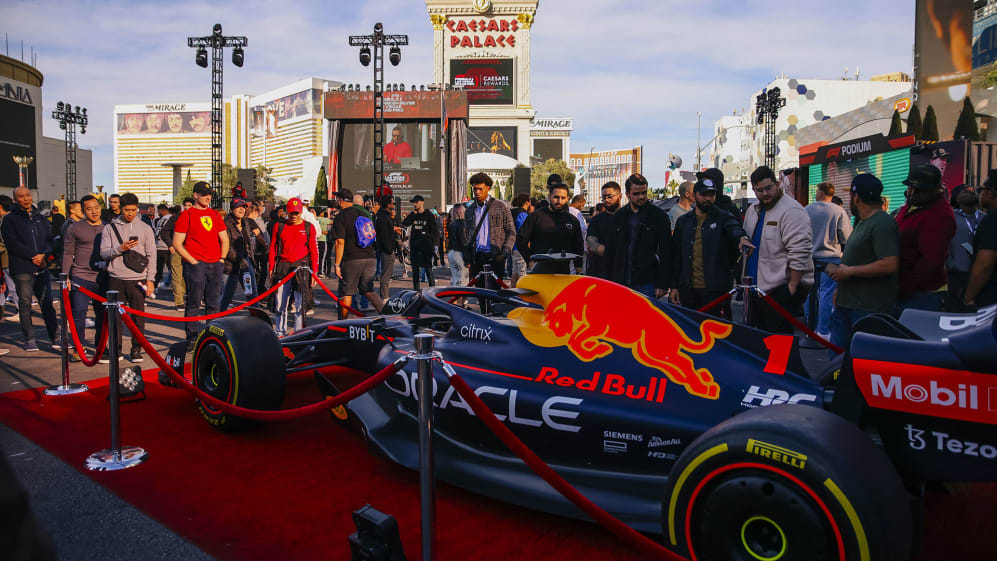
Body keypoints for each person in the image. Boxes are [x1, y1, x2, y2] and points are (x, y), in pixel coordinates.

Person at [826, 174, 899, 349]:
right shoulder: (863, 222)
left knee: (859, 359)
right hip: (849, 304)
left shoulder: (882, 223)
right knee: (839, 362)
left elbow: (890, 263)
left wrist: (848, 272)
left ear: (856, 197)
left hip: (866, 308)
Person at [742, 165, 813, 334]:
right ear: (754, 190)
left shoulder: (792, 210)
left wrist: (792, 286)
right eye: (760, 190)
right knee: (761, 339)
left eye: (769, 188)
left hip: (780, 289)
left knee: (779, 342)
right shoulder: (754, 210)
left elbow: (800, 251)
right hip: (756, 289)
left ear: (777, 184)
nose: (765, 193)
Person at [669, 177, 752, 319]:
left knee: (717, 333)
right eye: (704, 194)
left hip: (716, 291)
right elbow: (676, 256)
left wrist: (742, 238)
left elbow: (734, 228)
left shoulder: (723, 217)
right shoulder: (683, 222)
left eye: (711, 194)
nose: (708, 198)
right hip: (688, 290)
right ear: (694, 196)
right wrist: (674, 287)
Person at [1, 187, 60, 352]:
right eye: (21, 196)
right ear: (15, 200)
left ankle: (56, 336)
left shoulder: (40, 218)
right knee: (25, 303)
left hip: (42, 266)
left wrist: (44, 254)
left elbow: (50, 240)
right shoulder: (10, 220)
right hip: (22, 268)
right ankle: (30, 339)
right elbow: (11, 243)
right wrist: (33, 255)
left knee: (46, 303)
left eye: (28, 195)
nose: (26, 198)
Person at [100, 193, 156, 362]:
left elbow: (151, 254)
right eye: (126, 210)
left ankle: (136, 349)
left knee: (138, 317)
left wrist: (151, 279)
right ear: (120, 209)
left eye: (133, 210)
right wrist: (120, 248)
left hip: (138, 279)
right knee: (114, 317)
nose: (130, 213)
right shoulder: (110, 228)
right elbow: (103, 253)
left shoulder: (145, 228)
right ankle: (115, 350)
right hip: (116, 278)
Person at [172, 182, 229, 346]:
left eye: (209, 194)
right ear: (196, 195)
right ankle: (192, 337)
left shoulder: (215, 214)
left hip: (215, 264)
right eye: (204, 194)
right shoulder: (187, 215)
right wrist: (193, 261)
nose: (208, 197)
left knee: (213, 303)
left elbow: (224, 239)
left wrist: (221, 259)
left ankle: (213, 335)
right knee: (194, 302)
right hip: (196, 265)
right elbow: (177, 243)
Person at [895, 164, 956, 313]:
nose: (913, 193)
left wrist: (902, 287)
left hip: (923, 295)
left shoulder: (939, 215)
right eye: (911, 188)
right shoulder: (911, 206)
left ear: (935, 190)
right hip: (906, 291)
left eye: (920, 190)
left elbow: (932, 262)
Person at [605, 173, 672, 298]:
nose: (641, 197)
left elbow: (666, 251)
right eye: (636, 194)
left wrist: (662, 284)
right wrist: (607, 280)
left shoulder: (658, 216)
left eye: (644, 193)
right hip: (620, 279)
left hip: (647, 279)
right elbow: (610, 251)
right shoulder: (618, 217)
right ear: (627, 194)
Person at [62, 195, 106, 362]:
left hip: (102, 277)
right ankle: (77, 347)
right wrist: (65, 276)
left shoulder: (108, 227)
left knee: (102, 314)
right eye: (89, 208)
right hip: (80, 276)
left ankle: (101, 346)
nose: (93, 211)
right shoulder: (74, 228)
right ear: (83, 210)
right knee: (79, 312)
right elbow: (67, 253)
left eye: (96, 207)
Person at [805, 182, 852, 339]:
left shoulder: (807, 209)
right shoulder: (838, 211)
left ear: (820, 193)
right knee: (827, 294)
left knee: (809, 293)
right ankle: (823, 330)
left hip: (809, 257)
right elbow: (846, 236)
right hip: (831, 257)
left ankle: (808, 327)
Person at [268, 198, 318, 336]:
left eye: (297, 213)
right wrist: (271, 267)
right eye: (291, 213)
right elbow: (273, 247)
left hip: (301, 267)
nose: (294, 216)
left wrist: (314, 272)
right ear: (286, 212)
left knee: (300, 306)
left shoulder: (309, 227)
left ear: (301, 211)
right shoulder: (279, 226)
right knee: (280, 304)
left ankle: (298, 334)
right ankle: (280, 333)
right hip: (283, 267)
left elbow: (313, 250)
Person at [332, 189, 383, 319]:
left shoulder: (340, 217)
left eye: (338, 199)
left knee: (347, 293)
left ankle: (342, 324)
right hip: (370, 256)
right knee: (368, 290)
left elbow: (340, 242)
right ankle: (387, 316)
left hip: (352, 259)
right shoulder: (363, 214)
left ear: (341, 201)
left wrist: (337, 264)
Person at [516, 181, 584, 272]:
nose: (559, 201)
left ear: (568, 198)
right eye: (556, 197)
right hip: (539, 270)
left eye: (563, 198)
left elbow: (578, 245)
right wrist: (530, 261)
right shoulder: (536, 216)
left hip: (563, 271)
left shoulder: (572, 220)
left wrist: (579, 267)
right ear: (549, 197)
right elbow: (521, 240)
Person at [464, 172, 516, 283]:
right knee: (480, 293)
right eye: (475, 189)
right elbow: (467, 235)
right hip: (477, 258)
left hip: (495, 257)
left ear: (488, 188)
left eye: (480, 189)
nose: (477, 192)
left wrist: (504, 253)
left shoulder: (500, 206)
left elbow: (511, 231)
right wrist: (467, 257)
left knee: (495, 294)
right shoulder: (469, 210)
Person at [220, 198, 263, 311]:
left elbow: (252, 239)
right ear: (231, 209)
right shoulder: (225, 224)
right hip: (230, 267)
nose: (241, 209)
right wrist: (239, 260)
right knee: (226, 296)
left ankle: (256, 319)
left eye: (243, 207)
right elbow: (227, 247)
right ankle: (215, 320)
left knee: (251, 293)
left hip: (246, 264)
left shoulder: (246, 222)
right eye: (238, 207)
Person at [946, 184, 984, 310]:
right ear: (957, 198)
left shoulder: (984, 217)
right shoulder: (951, 217)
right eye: (966, 191)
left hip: (980, 275)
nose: (972, 192)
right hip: (956, 275)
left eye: (973, 190)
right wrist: (952, 264)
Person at [963, 171, 997, 308]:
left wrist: (968, 297)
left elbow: (985, 264)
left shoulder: (992, 220)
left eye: (981, 190)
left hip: (990, 301)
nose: (979, 194)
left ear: (991, 192)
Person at [160, 199, 192, 310]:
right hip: (178, 250)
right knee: (177, 276)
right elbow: (164, 231)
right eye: (186, 205)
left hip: (192, 251)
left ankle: (191, 296)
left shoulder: (197, 218)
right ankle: (179, 301)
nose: (187, 207)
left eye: (190, 205)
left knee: (193, 275)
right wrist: (170, 245)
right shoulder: (176, 217)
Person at [586, 181, 623, 279]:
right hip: (599, 273)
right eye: (603, 197)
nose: (606, 200)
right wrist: (616, 253)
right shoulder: (597, 220)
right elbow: (591, 243)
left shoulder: (628, 217)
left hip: (622, 274)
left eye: (610, 196)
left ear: (620, 196)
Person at [403, 195, 438, 290]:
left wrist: (434, 245)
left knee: (428, 269)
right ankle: (416, 291)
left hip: (426, 247)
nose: (414, 204)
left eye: (416, 202)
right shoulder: (414, 215)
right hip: (415, 247)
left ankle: (432, 290)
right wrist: (412, 214)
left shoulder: (429, 215)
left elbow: (434, 231)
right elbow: (405, 223)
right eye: (413, 202)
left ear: (422, 202)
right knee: (415, 271)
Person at [374, 195, 402, 300]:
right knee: (386, 276)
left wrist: (394, 229)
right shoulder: (383, 216)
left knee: (386, 276)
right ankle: (384, 298)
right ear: (388, 204)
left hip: (386, 249)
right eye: (392, 203)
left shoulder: (384, 216)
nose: (393, 205)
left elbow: (386, 229)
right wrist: (390, 249)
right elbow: (384, 234)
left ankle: (385, 297)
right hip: (387, 250)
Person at [509, 193, 532, 286]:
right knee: (522, 271)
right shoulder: (523, 214)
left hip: (512, 245)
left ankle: (513, 291)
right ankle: (519, 294)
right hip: (521, 246)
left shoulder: (512, 212)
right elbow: (525, 230)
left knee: (515, 271)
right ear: (527, 202)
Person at [447, 204, 469, 286]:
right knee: (463, 279)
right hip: (459, 253)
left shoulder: (452, 224)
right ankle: (462, 298)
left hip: (452, 252)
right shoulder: (462, 224)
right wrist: (467, 259)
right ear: (460, 212)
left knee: (455, 277)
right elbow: (463, 241)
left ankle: (455, 297)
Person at [153, 204, 172, 292]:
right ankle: (172, 286)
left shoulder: (161, 220)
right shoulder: (170, 218)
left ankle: (155, 286)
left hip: (159, 246)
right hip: (167, 247)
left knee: (158, 269)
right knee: (172, 269)